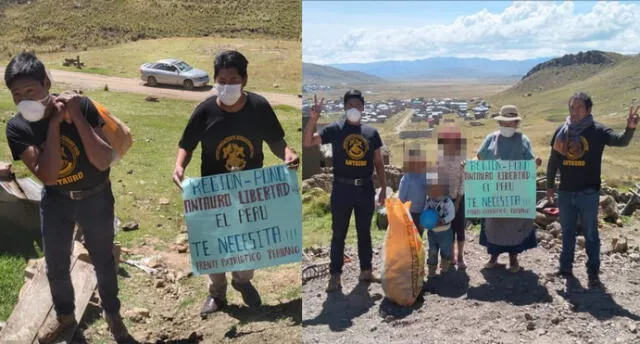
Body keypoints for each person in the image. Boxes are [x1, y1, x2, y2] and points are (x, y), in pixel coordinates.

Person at [4, 53, 134, 344]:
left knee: (103, 260)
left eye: (31, 91)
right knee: (56, 264)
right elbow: (48, 176)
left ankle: (113, 316)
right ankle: (65, 317)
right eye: (17, 95)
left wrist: (74, 115)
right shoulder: (17, 128)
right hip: (57, 201)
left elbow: (102, 161)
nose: (25, 99)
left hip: (96, 198)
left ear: (46, 83)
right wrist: (53, 125)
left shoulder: (83, 106)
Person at [173, 50, 299, 317]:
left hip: (251, 192)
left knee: (250, 242)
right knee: (216, 243)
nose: (226, 85)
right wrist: (179, 166)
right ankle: (216, 293)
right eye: (221, 79)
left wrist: (287, 154)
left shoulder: (259, 107)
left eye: (233, 79)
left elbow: (276, 140)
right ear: (215, 79)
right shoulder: (205, 111)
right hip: (213, 193)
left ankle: (242, 281)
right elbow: (187, 144)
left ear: (244, 79)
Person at [547, 92, 638, 288]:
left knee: (591, 234)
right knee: (567, 231)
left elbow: (620, 140)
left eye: (579, 107)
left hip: (588, 193)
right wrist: (549, 186)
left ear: (589, 109)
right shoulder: (561, 131)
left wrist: (630, 129)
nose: (575, 111)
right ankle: (565, 269)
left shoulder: (597, 130)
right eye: (572, 107)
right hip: (565, 191)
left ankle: (593, 273)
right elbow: (553, 160)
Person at [303, 90, 387, 293]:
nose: (354, 109)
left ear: (363, 108)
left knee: (364, 232)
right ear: (344, 107)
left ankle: (366, 271)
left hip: (365, 188)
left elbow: (379, 162)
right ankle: (335, 276)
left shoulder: (371, 133)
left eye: (358, 105)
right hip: (342, 188)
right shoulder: (336, 129)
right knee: (338, 233)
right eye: (350, 105)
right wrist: (314, 119)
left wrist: (383, 187)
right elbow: (308, 142)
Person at [476, 105, 541, 273]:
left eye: (510, 123)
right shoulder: (491, 138)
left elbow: (530, 162)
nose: (507, 126)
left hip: (516, 192)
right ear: (500, 122)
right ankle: (493, 257)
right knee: (493, 224)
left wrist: (536, 163)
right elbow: (480, 157)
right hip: (494, 191)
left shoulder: (523, 140)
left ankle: (514, 258)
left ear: (516, 123)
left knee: (514, 224)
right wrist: (471, 167)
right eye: (504, 123)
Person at [436, 126, 466, 268]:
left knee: (459, 228)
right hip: (443, 200)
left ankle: (460, 256)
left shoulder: (462, 160)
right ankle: (452, 255)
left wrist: (458, 202)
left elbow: (463, 182)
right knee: (448, 229)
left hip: (458, 199)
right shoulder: (439, 160)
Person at [423, 181, 456, 277]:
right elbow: (425, 211)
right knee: (432, 250)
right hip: (432, 232)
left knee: (445, 250)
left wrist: (443, 220)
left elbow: (452, 214)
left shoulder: (447, 201)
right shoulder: (429, 200)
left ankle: (445, 265)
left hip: (445, 232)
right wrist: (425, 220)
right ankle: (432, 270)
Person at [398, 144, 427, 236]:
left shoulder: (425, 176)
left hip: (422, 212)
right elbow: (401, 198)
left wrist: (425, 212)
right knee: (410, 238)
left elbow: (428, 194)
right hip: (409, 213)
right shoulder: (407, 178)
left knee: (419, 237)